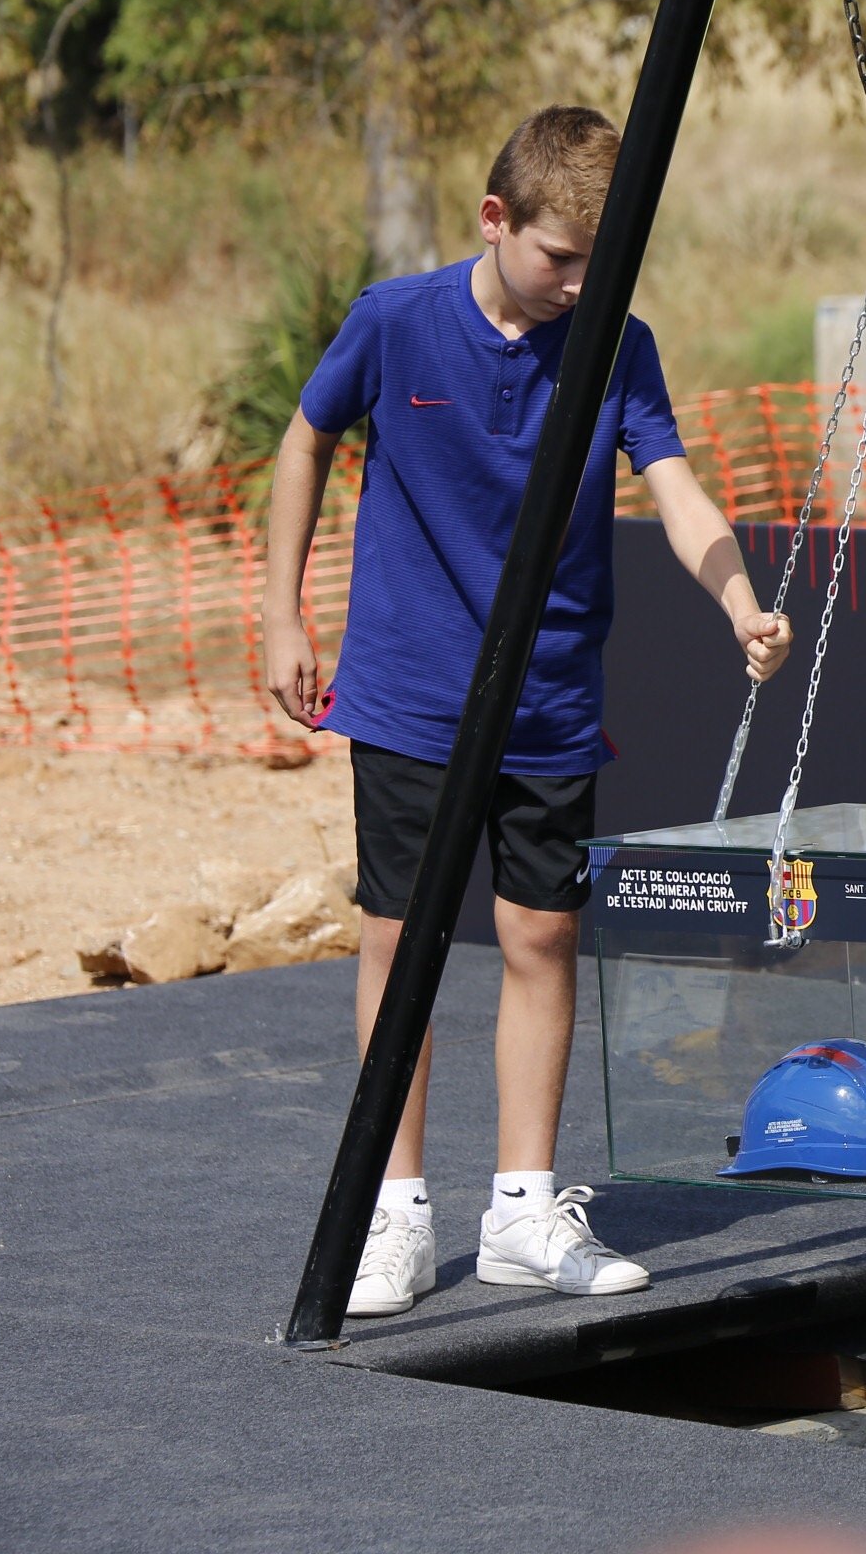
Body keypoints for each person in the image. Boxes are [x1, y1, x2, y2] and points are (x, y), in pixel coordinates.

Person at [261, 105, 794, 1315]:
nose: (576, 288)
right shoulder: (395, 322)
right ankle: (393, 1209)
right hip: (406, 694)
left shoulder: (618, 345)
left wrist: (740, 604)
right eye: (559, 259)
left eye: (600, 270)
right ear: (496, 222)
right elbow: (304, 438)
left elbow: (679, 493)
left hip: (552, 699)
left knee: (541, 937)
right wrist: (281, 617)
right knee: (400, 941)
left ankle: (521, 1206)